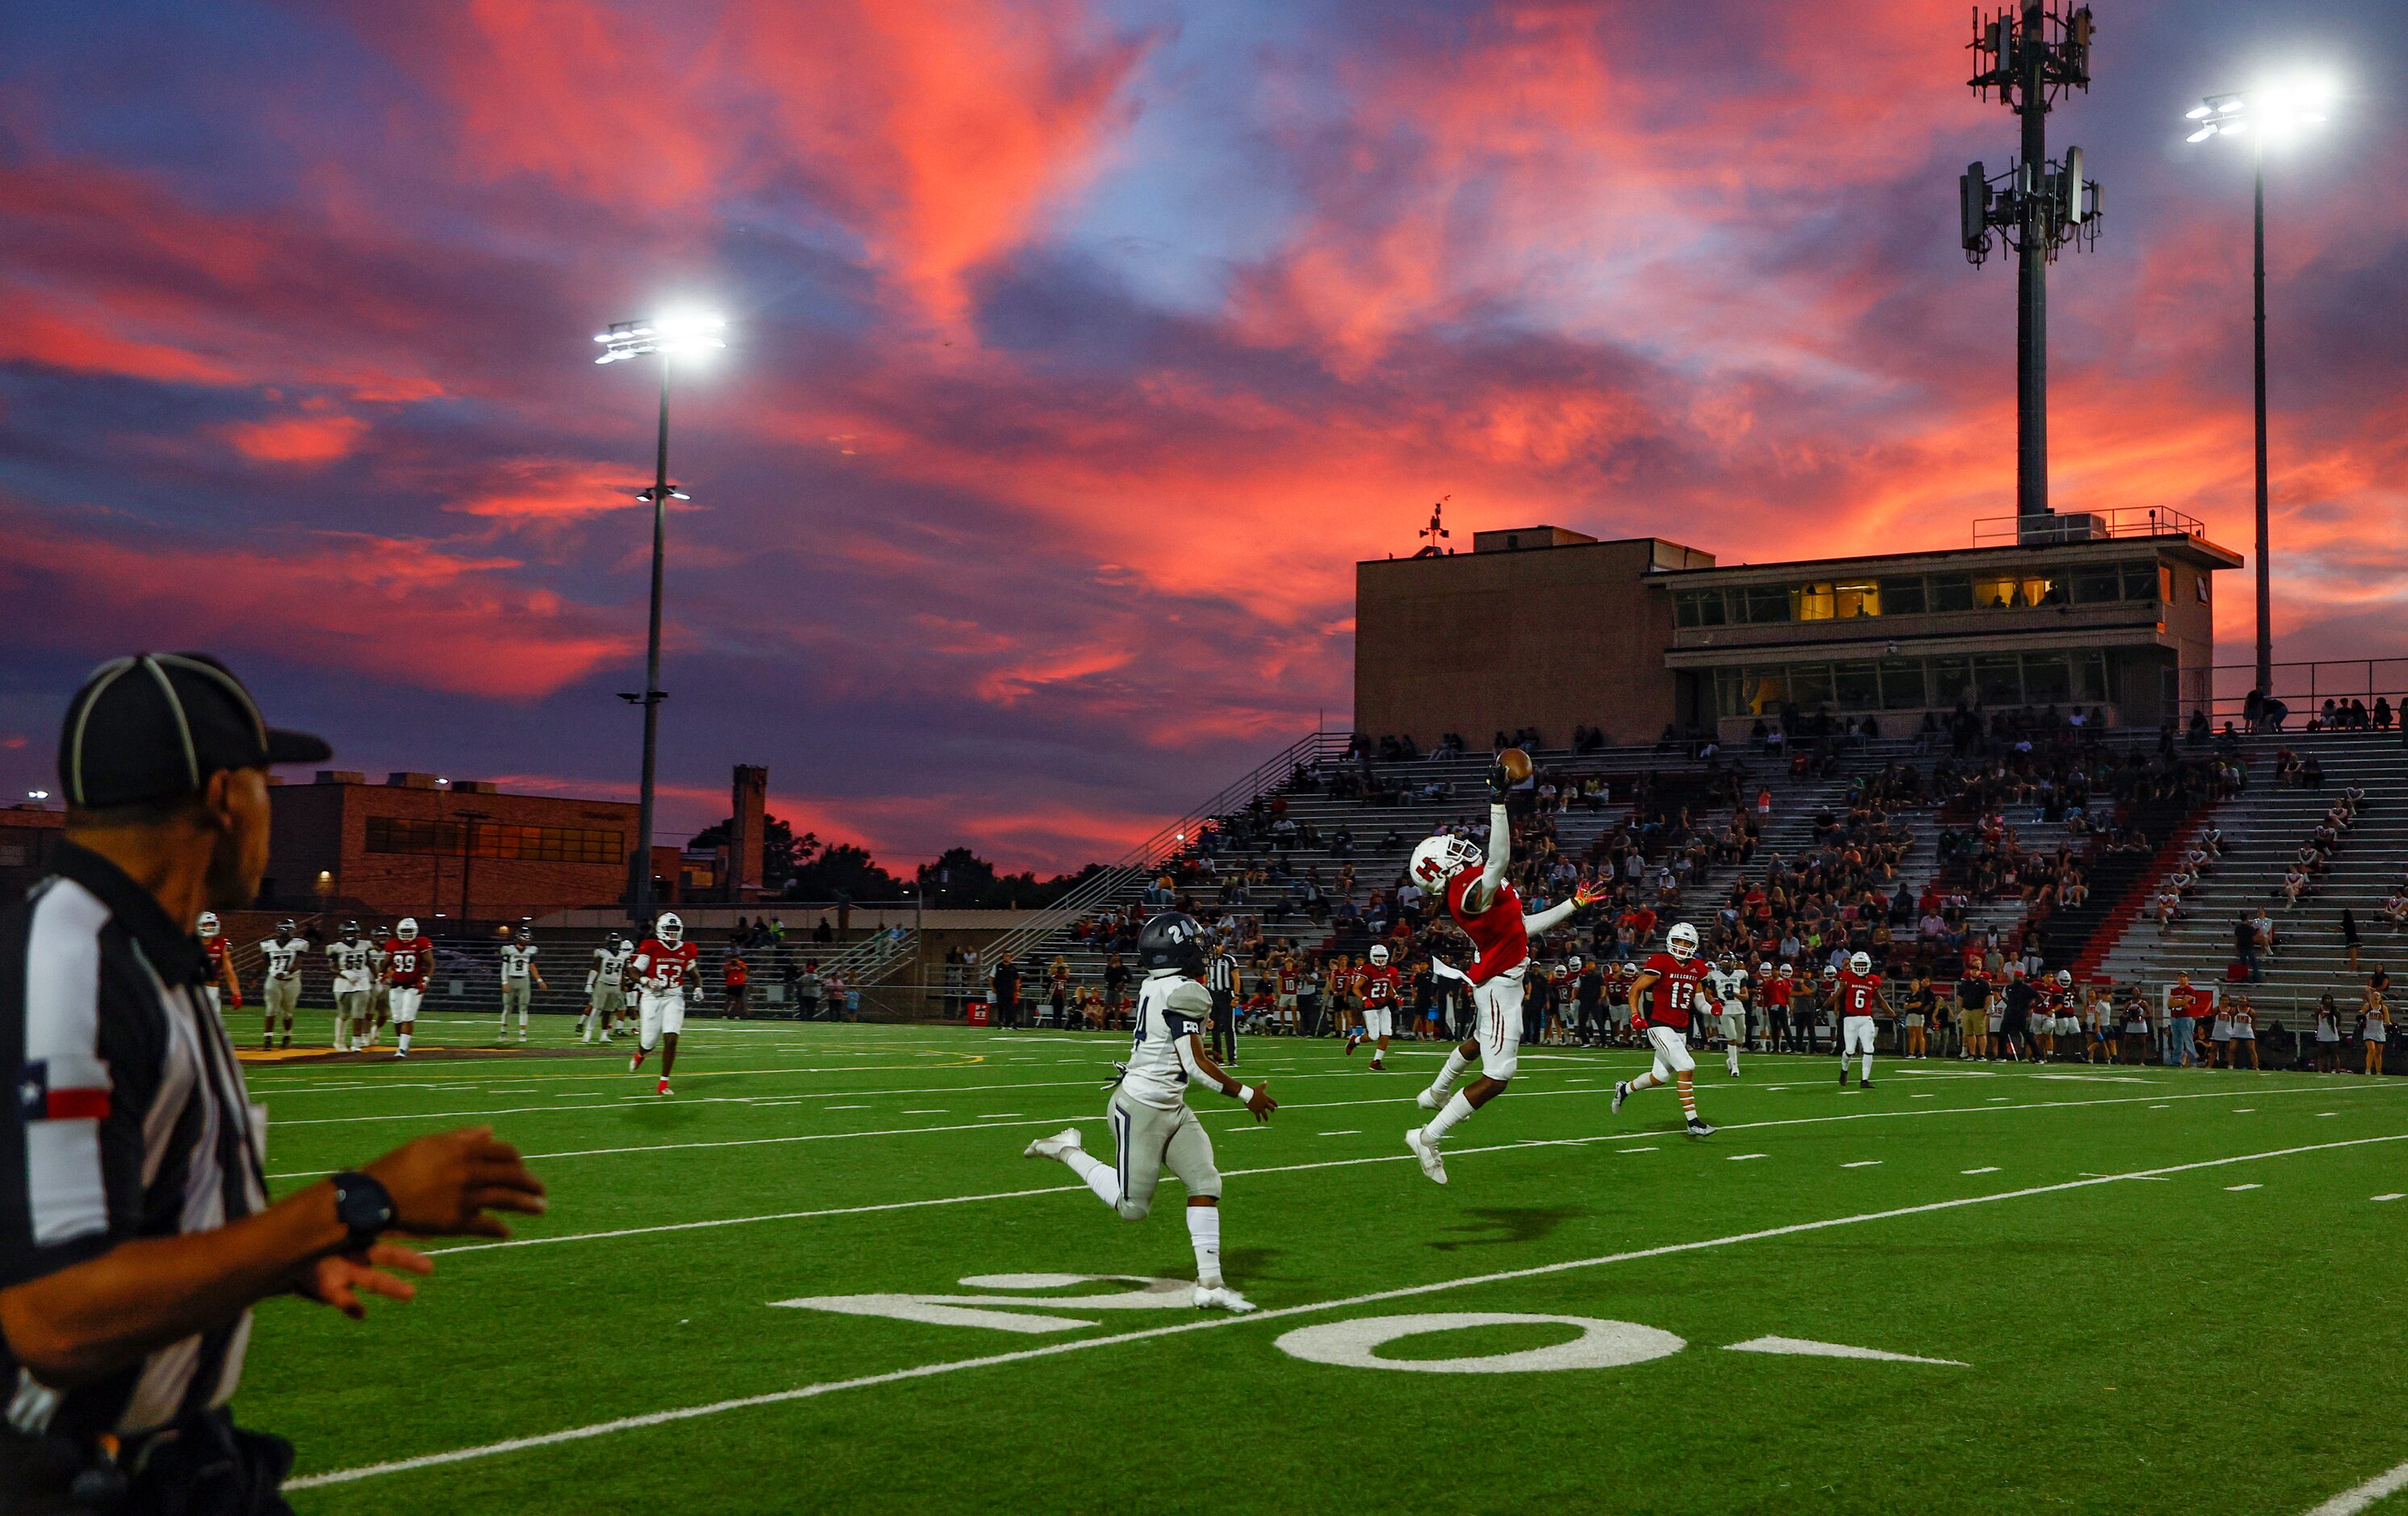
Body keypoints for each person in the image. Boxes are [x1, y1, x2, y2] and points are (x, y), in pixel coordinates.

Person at [0, 651, 546, 1510]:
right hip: (72, 1480)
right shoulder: (74, 963)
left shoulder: (147, 954)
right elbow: (55, 1317)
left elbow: (143, 1213)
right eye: (265, 783)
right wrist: (354, 1201)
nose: (271, 810)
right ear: (223, 797)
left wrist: (277, 1263)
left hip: (182, 1463)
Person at [1022, 912, 1274, 1312]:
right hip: (1140, 1107)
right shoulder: (1184, 992)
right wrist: (1245, 1094)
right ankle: (1066, 1149)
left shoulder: (1159, 985)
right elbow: (1193, 1063)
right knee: (1132, 1208)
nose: (1202, 949)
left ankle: (1210, 1283)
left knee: (1205, 1182)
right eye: (1194, 941)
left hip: (1171, 1105)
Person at [1405, 761, 1605, 1182]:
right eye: (1450, 850)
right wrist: (1498, 800)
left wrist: (1573, 905)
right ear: (1440, 871)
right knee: (1499, 1076)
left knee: (1479, 1042)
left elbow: (1521, 928)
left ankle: (1436, 1092)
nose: (1459, 847)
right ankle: (1427, 1136)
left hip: (1500, 977)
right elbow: (1499, 859)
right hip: (1499, 985)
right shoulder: (1467, 892)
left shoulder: (1470, 884)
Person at [1614, 922, 1716, 1135]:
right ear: (1670, 940)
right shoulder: (1661, 963)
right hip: (1660, 1026)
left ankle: (1624, 1089)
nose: (1682, 945)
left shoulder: (1698, 968)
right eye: (1679, 940)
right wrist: (1635, 1014)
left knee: (1659, 1077)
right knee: (1687, 1065)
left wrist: (1713, 1009)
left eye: (1687, 942)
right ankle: (1693, 1122)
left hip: (1680, 1030)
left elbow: (1700, 1004)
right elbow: (1635, 988)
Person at [628, 912, 697, 1095]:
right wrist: (646, 981)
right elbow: (633, 971)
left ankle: (664, 1082)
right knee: (649, 1041)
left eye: (676, 930)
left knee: (672, 1037)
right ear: (660, 930)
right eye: (670, 929)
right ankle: (641, 1053)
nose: (673, 933)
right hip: (652, 997)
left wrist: (698, 987)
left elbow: (694, 973)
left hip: (674, 996)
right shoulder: (651, 946)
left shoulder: (687, 949)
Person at [381, 916, 433, 1059]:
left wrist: (426, 979)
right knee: (397, 1019)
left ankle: (402, 1049)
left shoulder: (421, 943)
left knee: (407, 1017)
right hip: (396, 985)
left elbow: (430, 964)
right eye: (404, 931)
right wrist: (382, 974)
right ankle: (403, 1043)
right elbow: (386, 962)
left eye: (409, 931)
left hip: (414, 985)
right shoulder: (392, 944)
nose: (407, 933)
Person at [1834, 950, 1886, 1088]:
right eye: (1858, 964)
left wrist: (1893, 1015)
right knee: (1850, 1051)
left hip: (1866, 1018)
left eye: (1863, 964)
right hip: (1850, 1019)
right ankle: (1844, 1069)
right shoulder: (1847, 977)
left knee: (1869, 1048)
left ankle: (1864, 1080)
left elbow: (1880, 1001)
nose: (1861, 967)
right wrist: (1825, 1006)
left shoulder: (1872, 980)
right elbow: (1837, 994)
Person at [1348, 942, 1401, 1070]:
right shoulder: (1367, 969)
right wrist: (1364, 998)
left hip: (1383, 1005)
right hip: (1370, 1005)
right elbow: (1355, 988)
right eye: (1377, 956)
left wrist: (1396, 997)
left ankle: (1376, 1061)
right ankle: (1354, 1041)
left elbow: (1390, 988)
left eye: (1382, 956)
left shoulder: (1391, 971)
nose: (1380, 959)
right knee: (1373, 1036)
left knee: (1387, 1032)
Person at [256, 918, 308, 1050]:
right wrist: (255, 977)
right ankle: (268, 1038)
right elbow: (265, 963)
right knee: (271, 1009)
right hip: (273, 979)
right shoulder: (269, 945)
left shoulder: (298, 944)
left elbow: (297, 964)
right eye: (289, 929)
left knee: (288, 1012)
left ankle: (287, 1035)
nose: (291, 932)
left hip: (292, 981)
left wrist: (285, 973)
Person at [325, 919, 375, 1053]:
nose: (351, 935)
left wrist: (378, 977)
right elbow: (332, 968)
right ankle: (339, 1041)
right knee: (344, 1014)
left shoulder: (364, 946)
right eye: (348, 932)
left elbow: (370, 963)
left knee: (359, 1014)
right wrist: (344, 973)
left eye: (353, 932)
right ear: (342, 934)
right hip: (343, 984)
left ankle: (356, 1043)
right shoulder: (336, 948)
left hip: (362, 982)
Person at [580, 932, 631, 1043]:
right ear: (608, 943)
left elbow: (625, 971)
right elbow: (595, 968)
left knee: (609, 1011)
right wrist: (589, 983)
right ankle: (588, 1032)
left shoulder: (624, 955)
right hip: (602, 984)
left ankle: (604, 1034)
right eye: (612, 943)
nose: (614, 945)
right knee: (597, 1009)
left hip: (615, 986)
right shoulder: (602, 953)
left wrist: (624, 985)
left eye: (616, 943)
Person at [1704, 953, 1749, 1078]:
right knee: (1732, 1037)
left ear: (1733, 962)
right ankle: (1734, 1067)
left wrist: (1735, 994)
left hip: (1738, 1007)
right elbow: (1707, 994)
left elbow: (1746, 996)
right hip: (1725, 1009)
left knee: (1741, 1038)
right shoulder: (1715, 975)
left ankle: (1731, 1059)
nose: (1725, 964)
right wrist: (1716, 1001)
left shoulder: (1741, 974)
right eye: (1723, 962)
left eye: (1727, 961)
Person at [497, 925, 544, 1043]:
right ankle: (503, 1031)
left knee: (523, 1008)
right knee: (507, 1007)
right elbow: (505, 967)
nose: (527, 940)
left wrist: (539, 980)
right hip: (511, 979)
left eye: (528, 938)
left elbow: (531, 965)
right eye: (525, 938)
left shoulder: (531, 950)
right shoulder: (508, 949)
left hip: (524, 979)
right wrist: (504, 982)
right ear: (519, 937)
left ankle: (522, 1033)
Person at [195, 911, 240, 1019]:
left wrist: (236, 993)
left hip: (212, 988)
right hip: (194, 988)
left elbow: (229, 971)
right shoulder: (191, 943)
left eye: (211, 924)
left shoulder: (222, 945)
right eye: (206, 925)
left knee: (213, 1023)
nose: (209, 927)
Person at [1206, 939, 1240, 1066]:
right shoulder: (1208, 960)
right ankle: (1218, 1057)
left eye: (1218, 945)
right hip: (1213, 995)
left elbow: (1236, 978)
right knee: (1213, 1027)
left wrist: (1236, 996)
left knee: (1228, 1028)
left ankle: (1232, 1058)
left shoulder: (1229, 960)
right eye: (1214, 945)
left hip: (1226, 995)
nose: (1216, 948)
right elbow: (1205, 978)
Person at [2364, 990, 2392, 1077]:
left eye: (2378, 996)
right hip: (2368, 1031)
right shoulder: (2367, 1006)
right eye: (2374, 995)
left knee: (2378, 1053)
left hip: (2379, 1032)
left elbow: (2387, 1021)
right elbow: (2361, 1017)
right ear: (2371, 997)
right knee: (2371, 1049)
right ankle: (2368, 1069)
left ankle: (2378, 1071)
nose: (2376, 997)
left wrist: (2392, 1026)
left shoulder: (2384, 1008)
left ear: (2380, 998)